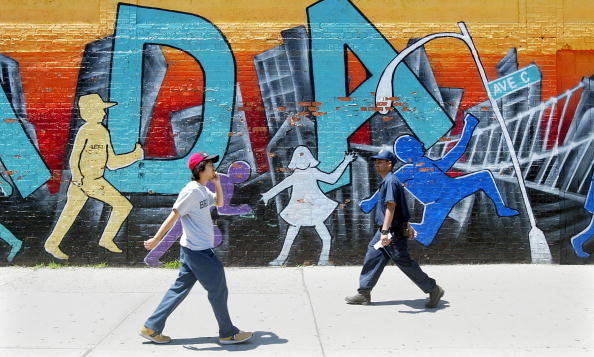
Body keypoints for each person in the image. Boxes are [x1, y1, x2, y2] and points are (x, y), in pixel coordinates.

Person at [139, 152, 252, 345]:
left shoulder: (202, 190)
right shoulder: (191, 191)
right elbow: (174, 215)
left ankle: (151, 327)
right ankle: (227, 333)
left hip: (193, 250)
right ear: (200, 168)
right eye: (209, 165)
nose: (213, 167)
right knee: (218, 289)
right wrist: (157, 239)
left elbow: (219, 203)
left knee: (179, 289)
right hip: (198, 252)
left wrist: (217, 182)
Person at [44, 93, 144, 260]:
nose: (104, 114)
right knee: (123, 206)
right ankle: (106, 239)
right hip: (87, 181)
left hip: (92, 180)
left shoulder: (102, 131)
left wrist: (134, 155)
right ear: (90, 112)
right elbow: (74, 156)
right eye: (100, 110)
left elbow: (111, 163)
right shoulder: (85, 131)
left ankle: (52, 243)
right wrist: (77, 176)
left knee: (70, 213)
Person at [345, 147, 444, 308]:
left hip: (391, 233)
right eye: (375, 162)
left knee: (403, 262)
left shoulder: (390, 181)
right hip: (386, 232)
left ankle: (433, 289)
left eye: (380, 162)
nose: (376, 165)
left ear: (389, 164)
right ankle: (364, 293)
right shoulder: (389, 181)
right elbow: (399, 209)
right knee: (373, 254)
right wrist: (406, 225)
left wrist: (385, 232)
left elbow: (391, 207)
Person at [261, 146, 356, 266]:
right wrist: (267, 196)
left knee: (324, 237)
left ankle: (322, 260)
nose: (303, 163)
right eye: (300, 160)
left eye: (305, 160)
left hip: (312, 207)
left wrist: (346, 161)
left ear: (310, 160)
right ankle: (281, 259)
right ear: (295, 161)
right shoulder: (296, 175)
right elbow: (282, 186)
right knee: (294, 235)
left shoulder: (313, 172)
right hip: (300, 208)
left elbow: (332, 179)